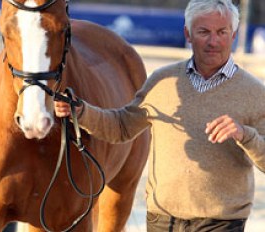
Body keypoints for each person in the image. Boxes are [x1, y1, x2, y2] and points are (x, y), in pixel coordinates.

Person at [55, 0, 265, 231]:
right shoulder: (162, 81)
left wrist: (245, 135)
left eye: (222, 32)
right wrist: (81, 112)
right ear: (188, 33)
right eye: (203, 32)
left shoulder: (255, 92)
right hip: (163, 221)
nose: (213, 41)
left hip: (221, 222)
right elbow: (122, 127)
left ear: (233, 34)